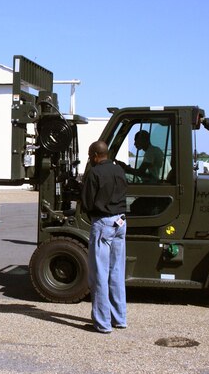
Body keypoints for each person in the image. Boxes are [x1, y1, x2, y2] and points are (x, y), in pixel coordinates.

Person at [81, 141, 128, 333]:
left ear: (94, 155)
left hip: (103, 224)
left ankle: (102, 323)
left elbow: (87, 202)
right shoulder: (119, 171)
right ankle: (119, 318)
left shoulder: (94, 173)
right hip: (121, 222)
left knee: (99, 274)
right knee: (116, 272)